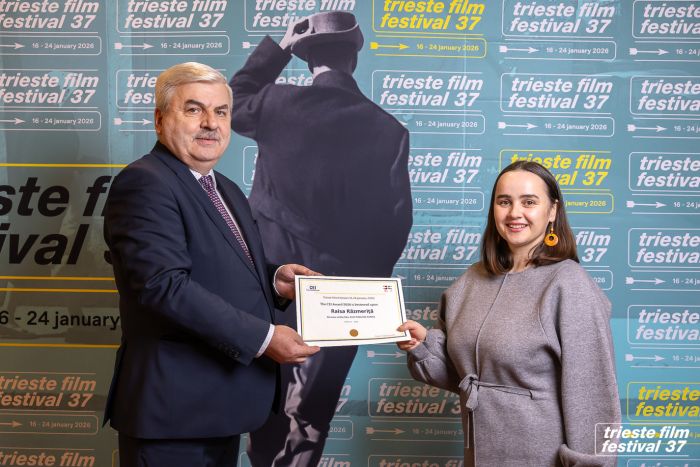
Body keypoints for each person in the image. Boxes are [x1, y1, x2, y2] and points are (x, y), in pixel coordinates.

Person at [102, 62, 320, 467]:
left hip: (221, 406)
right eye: (194, 109)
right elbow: (162, 285)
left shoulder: (225, 189)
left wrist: (275, 280)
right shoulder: (145, 182)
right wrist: (264, 338)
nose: (211, 123)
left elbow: (218, 267)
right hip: (173, 412)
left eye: (221, 111)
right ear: (160, 119)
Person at [229, 11, 413, 467]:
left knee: (265, 403)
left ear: (308, 60)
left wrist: (278, 48)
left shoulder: (277, 103)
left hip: (269, 283)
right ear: (354, 58)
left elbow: (233, 100)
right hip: (341, 292)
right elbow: (395, 223)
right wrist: (363, 289)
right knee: (310, 418)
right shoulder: (389, 130)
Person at [397, 161, 620, 466]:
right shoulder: (470, 282)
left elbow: (593, 395)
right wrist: (423, 346)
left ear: (552, 211)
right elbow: (466, 377)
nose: (515, 212)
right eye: (504, 202)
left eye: (529, 202)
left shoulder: (569, 283)